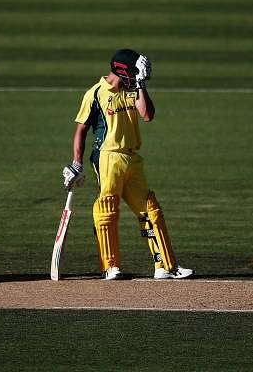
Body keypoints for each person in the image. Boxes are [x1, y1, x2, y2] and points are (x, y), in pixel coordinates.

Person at [62, 48, 194, 280]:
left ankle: (165, 266)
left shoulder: (131, 90)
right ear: (122, 70)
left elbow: (147, 115)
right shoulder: (95, 94)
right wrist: (76, 164)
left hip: (133, 159)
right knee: (107, 210)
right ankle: (110, 267)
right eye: (135, 74)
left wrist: (141, 85)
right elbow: (80, 130)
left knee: (151, 209)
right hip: (107, 157)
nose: (136, 78)